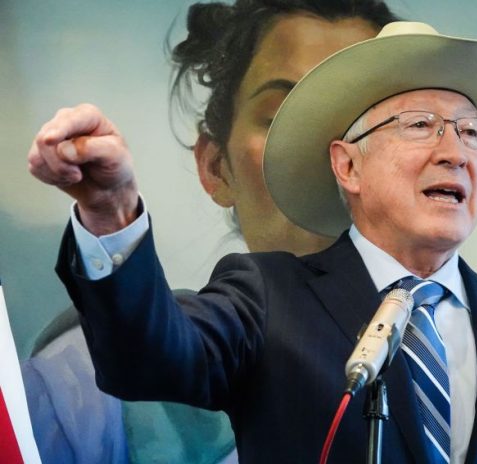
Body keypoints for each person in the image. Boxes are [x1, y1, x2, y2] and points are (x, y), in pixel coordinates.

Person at [28, 20, 477, 462]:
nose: (455, 152)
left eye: (471, 132)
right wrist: (111, 210)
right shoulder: (268, 296)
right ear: (347, 166)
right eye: (421, 125)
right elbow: (146, 361)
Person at [21, 1, 399, 463]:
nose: (335, 154)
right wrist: (112, 211)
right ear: (216, 166)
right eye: (282, 114)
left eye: (368, 119)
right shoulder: (77, 390)